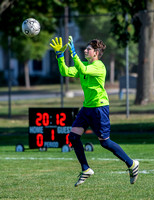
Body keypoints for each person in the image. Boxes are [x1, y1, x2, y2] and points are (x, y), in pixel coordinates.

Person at [50, 36, 139, 187]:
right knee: (73, 137)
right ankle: (86, 169)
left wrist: (73, 53)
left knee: (105, 143)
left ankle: (132, 164)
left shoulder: (99, 67)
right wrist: (60, 56)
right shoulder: (84, 65)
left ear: (96, 53)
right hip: (87, 108)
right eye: (85, 48)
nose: (85, 50)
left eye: (88, 49)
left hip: (99, 107)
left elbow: (84, 69)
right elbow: (65, 71)